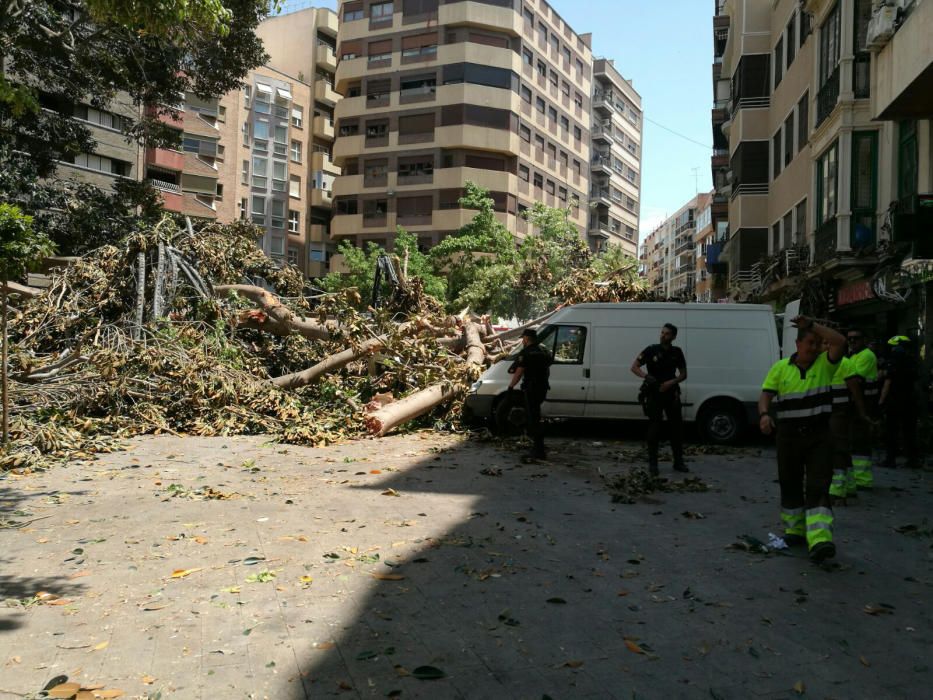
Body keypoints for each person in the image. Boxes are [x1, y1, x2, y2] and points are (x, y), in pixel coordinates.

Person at [758, 316, 846, 564]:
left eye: (818, 344)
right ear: (797, 344)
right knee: (790, 482)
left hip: (818, 436)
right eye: (810, 343)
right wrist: (765, 415)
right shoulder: (780, 368)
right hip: (788, 436)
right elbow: (765, 395)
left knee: (818, 485)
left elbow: (838, 341)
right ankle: (795, 531)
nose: (816, 347)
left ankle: (819, 539)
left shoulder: (825, 365)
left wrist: (812, 327)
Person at [631, 323, 688, 476]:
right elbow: (634, 367)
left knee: (676, 429)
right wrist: (646, 376)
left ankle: (678, 462)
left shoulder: (677, 352)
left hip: (671, 394)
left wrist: (671, 382)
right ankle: (653, 464)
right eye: (662, 333)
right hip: (654, 393)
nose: (663, 335)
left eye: (667, 333)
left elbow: (683, 374)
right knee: (654, 430)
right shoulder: (651, 350)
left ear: (674, 337)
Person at [507, 328, 552, 460]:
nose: (522, 341)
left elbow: (519, 372)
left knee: (533, 419)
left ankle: (538, 451)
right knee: (535, 415)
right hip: (542, 387)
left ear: (526, 338)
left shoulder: (526, 353)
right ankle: (539, 448)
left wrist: (511, 386)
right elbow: (547, 369)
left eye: (523, 338)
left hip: (531, 388)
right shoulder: (544, 351)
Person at [880, 335, 920, 469]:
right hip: (910, 401)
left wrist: (881, 401)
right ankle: (912, 460)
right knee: (909, 431)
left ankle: (890, 459)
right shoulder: (912, 361)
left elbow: (888, 382)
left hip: (894, 401)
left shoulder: (893, 361)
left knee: (892, 431)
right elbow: (916, 382)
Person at [847, 329, 879, 489]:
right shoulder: (853, 355)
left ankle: (863, 479)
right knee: (856, 440)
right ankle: (859, 478)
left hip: (865, 404)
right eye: (850, 339)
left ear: (864, 339)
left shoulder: (866, 355)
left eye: (856, 338)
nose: (852, 341)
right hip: (857, 403)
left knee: (861, 440)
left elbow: (855, 379)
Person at [827, 343, 857, 504]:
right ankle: (849, 485)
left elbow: (855, 388)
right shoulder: (823, 362)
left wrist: (861, 410)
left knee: (837, 449)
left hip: (838, 411)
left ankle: (838, 491)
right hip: (832, 411)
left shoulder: (844, 363)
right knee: (842, 448)